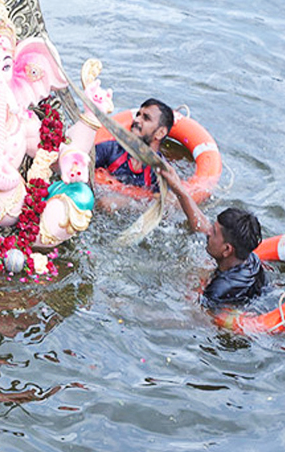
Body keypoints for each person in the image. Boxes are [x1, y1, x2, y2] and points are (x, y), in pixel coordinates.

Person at [157, 163, 265, 308]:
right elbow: (200, 224)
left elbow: (197, 320)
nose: (207, 232)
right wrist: (178, 188)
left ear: (227, 250)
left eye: (213, 232)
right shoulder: (251, 260)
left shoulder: (218, 290)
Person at [95, 98, 174, 193]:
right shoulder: (110, 149)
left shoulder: (162, 172)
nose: (136, 120)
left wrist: (124, 198)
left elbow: (165, 201)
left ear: (160, 133)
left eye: (146, 118)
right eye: (138, 115)